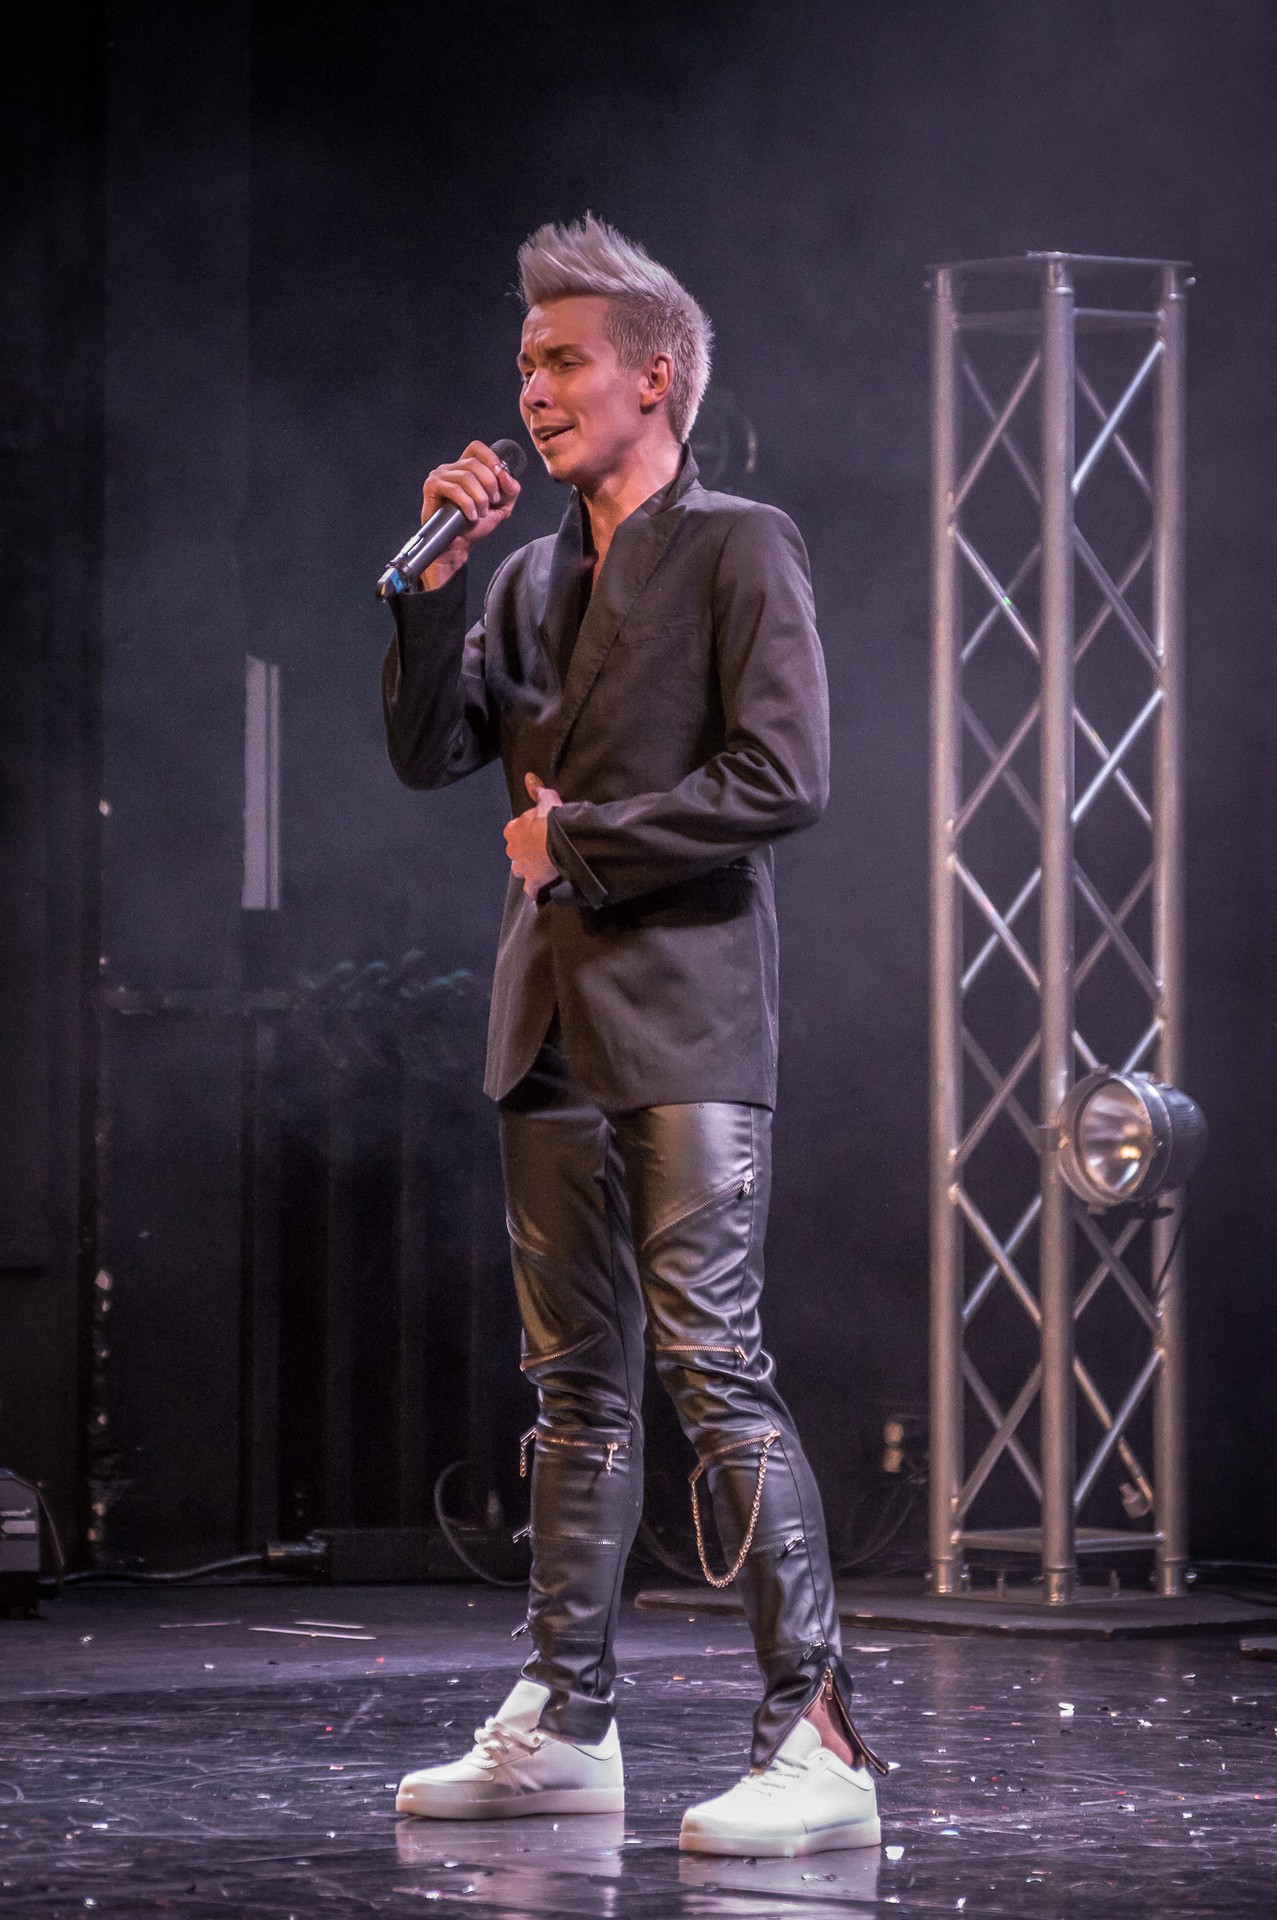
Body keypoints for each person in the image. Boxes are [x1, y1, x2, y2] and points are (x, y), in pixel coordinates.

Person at [383, 214, 884, 1858]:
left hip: (684, 1012)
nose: (532, 389)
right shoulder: (526, 577)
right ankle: (566, 1715)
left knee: (711, 1366)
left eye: (563, 361)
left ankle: (814, 1734)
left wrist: (579, 841)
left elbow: (782, 777)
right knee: (572, 1388)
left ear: (653, 378)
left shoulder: (740, 545)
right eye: (525, 362)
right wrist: (424, 597)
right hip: (545, 1017)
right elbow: (432, 751)